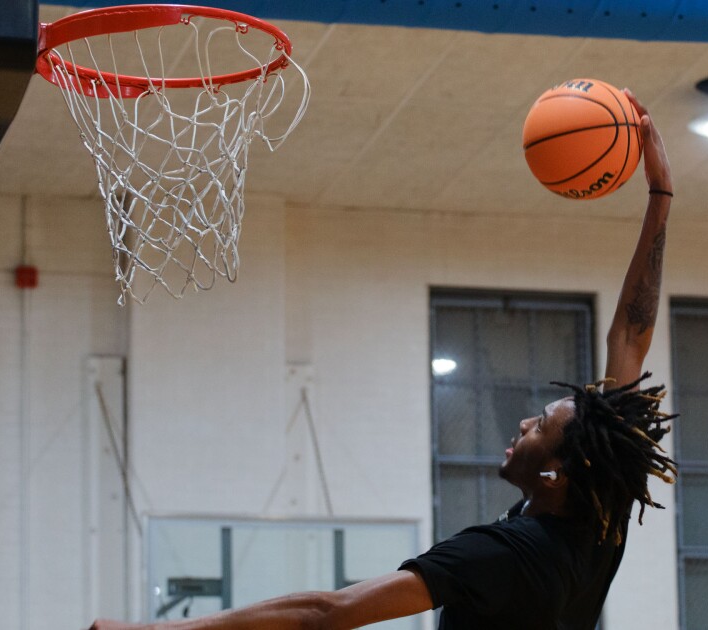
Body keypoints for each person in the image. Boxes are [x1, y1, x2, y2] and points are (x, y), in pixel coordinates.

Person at [89, 89, 676, 630]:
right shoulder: (600, 510)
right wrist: (659, 196)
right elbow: (631, 336)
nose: (524, 423)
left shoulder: (505, 553)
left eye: (541, 426)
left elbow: (327, 611)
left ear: (557, 471)